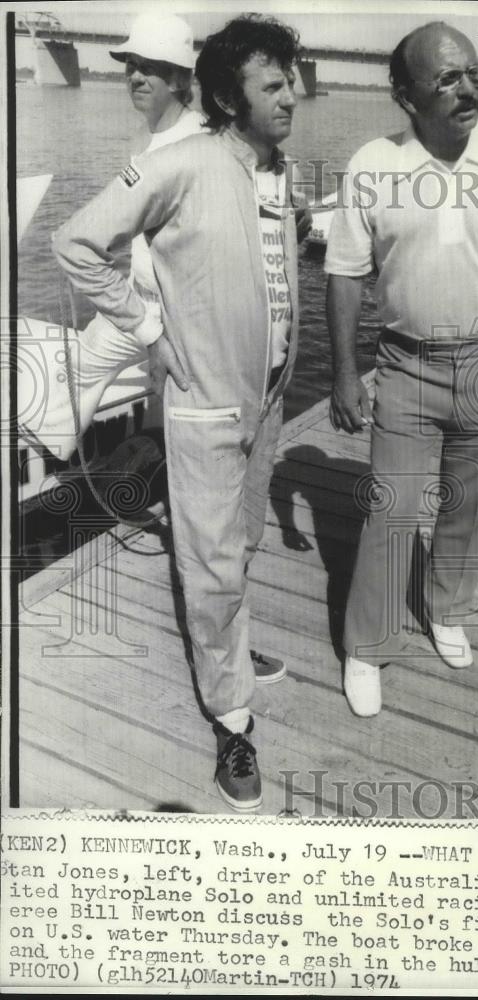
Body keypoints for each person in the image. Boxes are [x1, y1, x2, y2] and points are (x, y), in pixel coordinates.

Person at [53, 14, 308, 810]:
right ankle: (232, 723)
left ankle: (226, 644)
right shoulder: (183, 162)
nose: (294, 94)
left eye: (292, 79)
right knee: (208, 563)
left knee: (239, 543)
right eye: (274, 85)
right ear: (231, 97)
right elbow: (75, 244)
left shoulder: (278, 169)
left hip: (265, 400)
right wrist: (151, 328)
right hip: (203, 406)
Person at [325, 21, 478, 717]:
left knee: (471, 506)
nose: (467, 87)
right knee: (390, 513)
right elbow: (343, 277)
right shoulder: (373, 163)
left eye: (472, 72)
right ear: (405, 95)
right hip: (403, 366)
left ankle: (448, 608)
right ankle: (367, 648)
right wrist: (344, 375)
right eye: (446, 78)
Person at [19, 13, 202, 460]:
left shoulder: (198, 141)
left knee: (183, 408)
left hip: (182, 315)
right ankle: (39, 460)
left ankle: (168, 468)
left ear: (179, 78)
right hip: (138, 303)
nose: (135, 76)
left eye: (149, 67)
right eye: (130, 65)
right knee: (77, 367)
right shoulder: (144, 136)